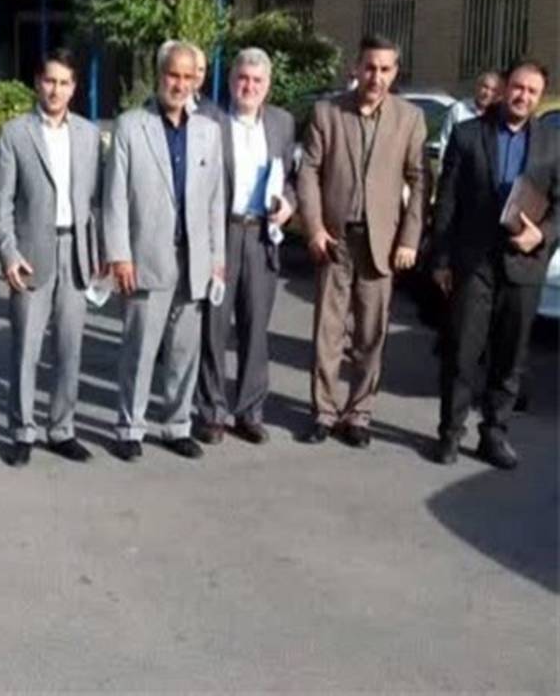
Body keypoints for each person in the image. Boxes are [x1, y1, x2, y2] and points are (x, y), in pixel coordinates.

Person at [296, 33, 427, 446]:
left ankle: (359, 415)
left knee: (371, 335)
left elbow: (420, 181)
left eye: (385, 69)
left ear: (395, 72)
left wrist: (409, 238)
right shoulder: (327, 112)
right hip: (334, 239)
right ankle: (323, 411)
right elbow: (308, 172)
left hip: (381, 243)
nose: (376, 76)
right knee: (328, 332)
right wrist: (314, 227)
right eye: (370, 67)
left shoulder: (409, 119)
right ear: (356, 68)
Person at [431, 60, 558, 469]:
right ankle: (450, 433)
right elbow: (447, 200)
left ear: (539, 97)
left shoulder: (552, 142)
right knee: (462, 353)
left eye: (532, 91)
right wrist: (441, 259)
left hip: (524, 264)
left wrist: (543, 235)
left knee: (510, 358)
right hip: (474, 263)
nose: (523, 96)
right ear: (504, 88)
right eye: (518, 87)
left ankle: (494, 433)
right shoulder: (469, 134)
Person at [103, 41, 226, 461]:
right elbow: (115, 197)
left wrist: (217, 260)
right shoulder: (130, 126)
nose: (181, 84)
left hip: (194, 259)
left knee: (184, 351)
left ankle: (177, 425)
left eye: (189, 77)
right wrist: (119, 254)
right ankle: (129, 427)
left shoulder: (208, 131)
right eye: (174, 75)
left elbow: (215, 201)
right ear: (159, 76)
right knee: (139, 349)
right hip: (145, 254)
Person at [0, 48, 103, 466]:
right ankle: (23, 430)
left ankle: (62, 428)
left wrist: (99, 252)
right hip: (31, 254)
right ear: (37, 83)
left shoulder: (89, 135)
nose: (56, 90)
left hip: (75, 251)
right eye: (49, 81)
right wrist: (8, 253)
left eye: (64, 83)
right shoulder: (15, 133)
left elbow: (96, 200)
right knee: (26, 348)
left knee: (70, 348)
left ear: (73, 88)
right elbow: (2, 205)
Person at [193, 48, 297, 445]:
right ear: (231, 80)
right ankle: (212, 411)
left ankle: (250, 412)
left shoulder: (282, 123)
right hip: (222, 233)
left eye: (257, 81)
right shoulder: (210, 120)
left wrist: (289, 204)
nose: (249, 87)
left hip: (262, 236)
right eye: (242, 79)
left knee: (256, 330)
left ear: (267, 85)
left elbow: (291, 178)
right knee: (213, 329)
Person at [439, 70, 502, 155]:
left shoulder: (498, 116)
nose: (487, 93)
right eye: (485, 87)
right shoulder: (459, 109)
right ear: (477, 87)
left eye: (493, 90)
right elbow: (445, 140)